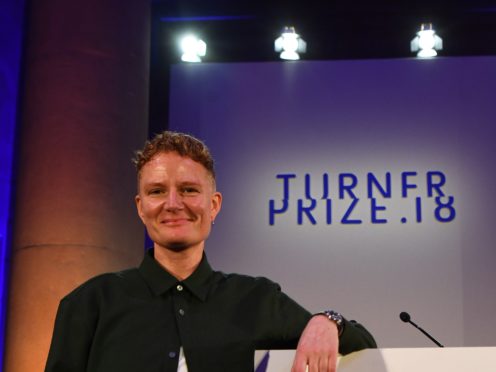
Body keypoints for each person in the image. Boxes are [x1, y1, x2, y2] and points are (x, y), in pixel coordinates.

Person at [45, 131, 376, 372]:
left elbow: (363, 347)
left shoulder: (256, 299)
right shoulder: (90, 304)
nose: (173, 204)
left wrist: (327, 321)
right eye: (157, 191)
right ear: (141, 207)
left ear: (213, 205)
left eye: (189, 190)